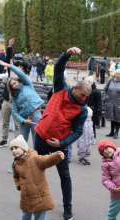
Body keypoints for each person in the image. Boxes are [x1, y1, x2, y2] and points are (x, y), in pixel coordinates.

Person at [34, 47, 91, 220]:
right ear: (75, 88)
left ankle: (67, 206)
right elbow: (58, 68)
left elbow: (78, 131)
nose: (82, 99)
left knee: (64, 175)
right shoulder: (61, 88)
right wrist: (67, 54)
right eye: (81, 95)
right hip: (41, 136)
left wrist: (61, 143)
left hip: (59, 143)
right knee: (36, 169)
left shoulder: (82, 109)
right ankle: (37, 199)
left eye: (85, 97)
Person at [11, 135, 64, 220]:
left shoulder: (34, 158)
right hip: (26, 197)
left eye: (16, 147)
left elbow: (47, 159)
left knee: (40, 217)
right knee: (25, 216)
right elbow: (16, 176)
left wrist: (56, 156)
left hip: (40, 197)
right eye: (12, 149)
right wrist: (19, 186)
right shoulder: (16, 163)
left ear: (23, 148)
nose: (13, 151)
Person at [0, 59, 44, 147]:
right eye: (12, 85)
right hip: (25, 119)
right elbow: (15, 112)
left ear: (18, 81)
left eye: (14, 83)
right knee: (21, 142)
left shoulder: (27, 84)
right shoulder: (14, 96)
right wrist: (23, 120)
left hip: (35, 115)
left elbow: (20, 73)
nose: (14, 86)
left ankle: (36, 158)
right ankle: (22, 159)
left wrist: (8, 65)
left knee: (37, 140)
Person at [99, 139, 120, 220]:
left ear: (112, 146)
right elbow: (105, 180)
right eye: (103, 151)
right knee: (112, 214)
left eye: (107, 147)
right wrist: (115, 189)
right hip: (117, 193)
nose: (106, 151)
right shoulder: (105, 164)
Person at [104, 69, 120, 139]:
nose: (117, 75)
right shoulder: (110, 80)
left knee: (118, 118)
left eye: (119, 74)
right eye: (116, 74)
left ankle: (116, 132)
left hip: (118, 103)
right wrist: (105, 97)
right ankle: (111, 131)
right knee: (112, 117)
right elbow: (105, 89)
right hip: (110, 102)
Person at [86, 76, 102, 144]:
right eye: (87, 82)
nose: (88, 83)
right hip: (86, 109)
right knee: (85, 125)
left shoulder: (96, 91)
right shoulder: (86, 90)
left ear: (92, 83)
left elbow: (99, 102)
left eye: (89, 82)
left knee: (92, 125)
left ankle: (93, 138)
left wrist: (99, 112)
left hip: (93, 110)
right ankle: (86, 138)